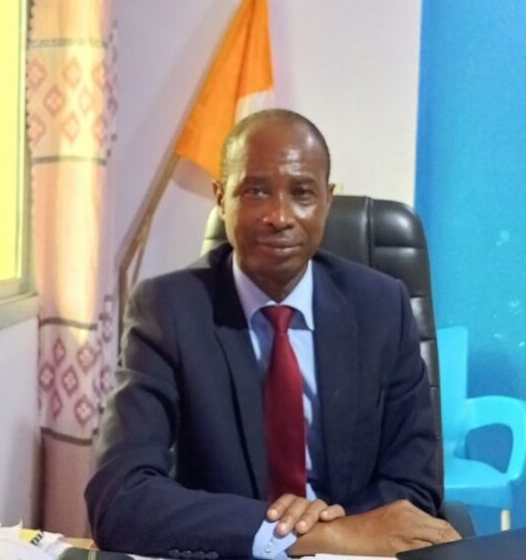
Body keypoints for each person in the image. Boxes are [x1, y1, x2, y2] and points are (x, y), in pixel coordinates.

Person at [85, 109, 461, 559]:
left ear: (327, 200)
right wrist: (299, 537)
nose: (280, 216)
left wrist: (339, 535)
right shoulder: (167, 310)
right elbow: (120, 496)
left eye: (302, 193)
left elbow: (414, 486)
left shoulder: (382, 306)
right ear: (221, 198)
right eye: (256, 191)